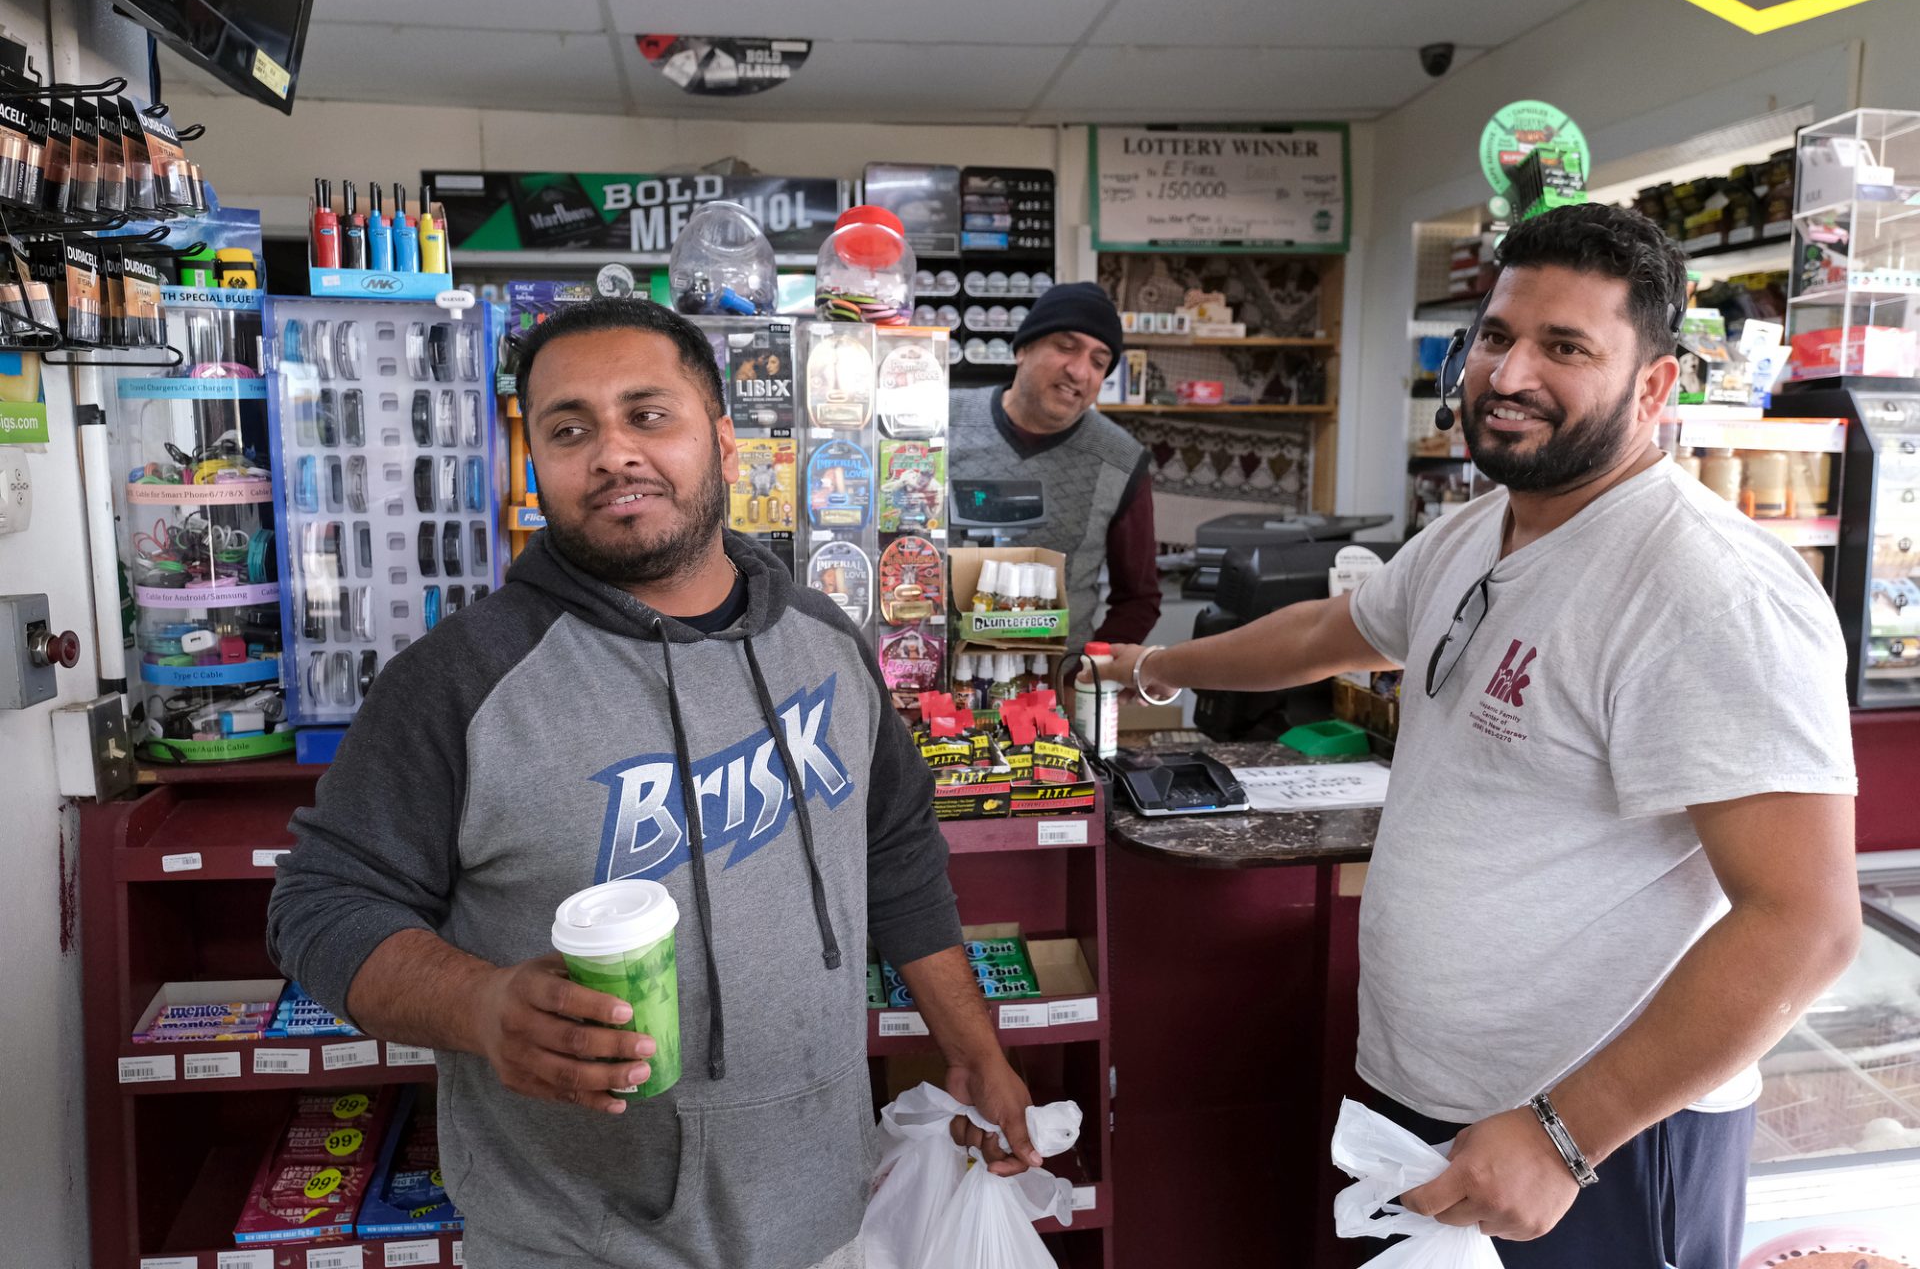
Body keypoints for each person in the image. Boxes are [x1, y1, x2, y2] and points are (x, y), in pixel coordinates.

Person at [1109, 204, 1860, 1266]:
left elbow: (1805, 919)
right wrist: (1148, 665)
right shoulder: (1475, 528)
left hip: (1600, 1147)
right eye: (1498, 335)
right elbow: (1330, 630)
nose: (1506, 375)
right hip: (1431, 1105)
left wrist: (1567, 1131)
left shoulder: (1706, 590)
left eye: (1565, 347)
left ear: (1654, 386)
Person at [268, 297, 1040, 1269]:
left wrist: (971, 1047)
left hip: (830, 1213)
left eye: (648, 413)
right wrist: (481, 1004)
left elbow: (895, 853)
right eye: (569, 427)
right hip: (575, 1239)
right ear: (534, 459)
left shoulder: (825, 644)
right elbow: (321, 905)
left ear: (721, 437)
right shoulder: (458, 681)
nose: (613, 453)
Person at [949, 282, 1160, 655]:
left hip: (1057, 692)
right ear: (1023, 350)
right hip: (930, 683)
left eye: (1098, 362)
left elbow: (1138, 599)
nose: (1079, 371)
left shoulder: (1121, 461)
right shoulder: (940, 422)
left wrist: (1086, 674)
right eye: (1065, 347)